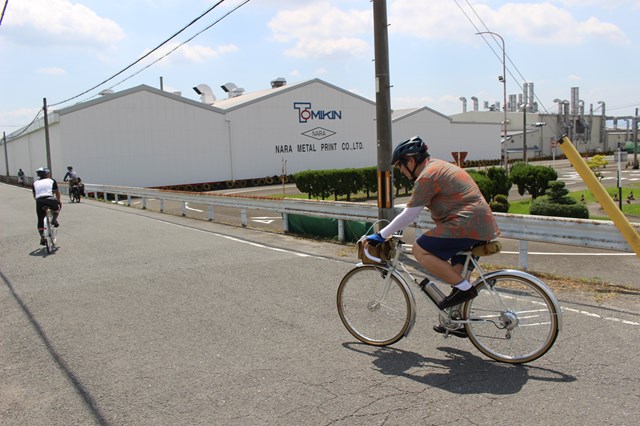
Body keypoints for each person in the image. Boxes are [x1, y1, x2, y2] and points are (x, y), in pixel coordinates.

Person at [365, 136, 501, 337]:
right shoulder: (439, 166)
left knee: (420, 250)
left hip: (466, 224)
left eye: (400, 166)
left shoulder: (427, 176)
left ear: (411, 160)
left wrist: (381, 235)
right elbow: (415, 209)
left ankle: (466, 289)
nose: (401, 171)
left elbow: (410, 214)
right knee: (455, 274)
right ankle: (456, 321)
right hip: (481, 225)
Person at [32, 167, 62, 246]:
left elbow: (35, 195)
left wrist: (39, 201)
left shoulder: (35, 183)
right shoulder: (52, 180)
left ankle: (42, 237)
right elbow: (57, 192)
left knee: (40, 219)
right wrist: (59, 201)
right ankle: (54, 220)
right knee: (57, 208)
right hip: (50, 199)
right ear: (46, 174)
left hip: (39, 201)